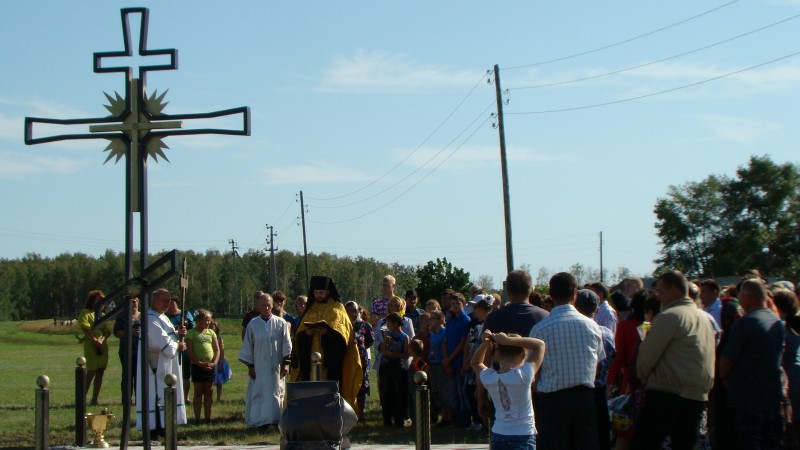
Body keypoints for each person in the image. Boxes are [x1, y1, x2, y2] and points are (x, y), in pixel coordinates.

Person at [633, 270, 715, 450]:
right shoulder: (704, 318)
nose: (657, 296)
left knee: (645, 443)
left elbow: (646, 357)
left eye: (661, 292)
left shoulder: (669, 316)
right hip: (697, 394)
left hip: (667, 392)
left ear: (675, 292)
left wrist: (644, 378)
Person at [530, 272, 605, 450]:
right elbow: (598, 361)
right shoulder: (592, 326)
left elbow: (534, 371)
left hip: (553, 399)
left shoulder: (540, 329)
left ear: (551, 294)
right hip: (584, 397)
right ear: (574, 294)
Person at [719, 279, 784, 449]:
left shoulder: (745, 323)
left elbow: (727, 361)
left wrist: (724, 377)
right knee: (771, 442)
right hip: (772, 397)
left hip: (748, 400)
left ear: (748, 297)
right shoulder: (776, 321)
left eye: (740, 295)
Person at [479, 269, 549, 420]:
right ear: (531, 290)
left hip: (502, 387)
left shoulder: (494, 318)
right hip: (538, 387)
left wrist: (481, 394)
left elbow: (485, 358)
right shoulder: (545, 317)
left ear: (507, 291)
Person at [290, 276, 362, 409]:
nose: (318, 295)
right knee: (310, 389)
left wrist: (328, 334)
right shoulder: (311, 308)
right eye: (316, 293)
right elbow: (299, 336)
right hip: (310, 360)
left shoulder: (337, 309)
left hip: (330, 362)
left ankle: (330, 412)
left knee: (330, 391)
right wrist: (306, 334)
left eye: (321, 293)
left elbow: (344, 338)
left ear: (328, 292)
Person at [471, 330, 545, 450]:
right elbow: (540, 345)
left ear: (497, 355)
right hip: (523, 434)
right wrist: (508, 340)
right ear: (523, 356)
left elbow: (475, 363)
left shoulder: (489, 377)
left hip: (498, 433)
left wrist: (485, 343)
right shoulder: (523, 375)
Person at [136, 288, 188, 436]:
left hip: (166, 364)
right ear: (154, 300)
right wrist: (177, 345)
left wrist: (178, 334)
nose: (167, 304)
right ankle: (156, 427)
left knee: (165, 391)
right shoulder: (150, 318)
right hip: (156, 365)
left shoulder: (162, 317)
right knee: (157, 393)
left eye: (169, 301)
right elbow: (160, 340)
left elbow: (168, 335)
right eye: (164, 301)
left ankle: (167, 425)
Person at [238, 292, 291, 427]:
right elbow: (248, 346)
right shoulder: (253, 324)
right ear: (258, 306)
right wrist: (250, 366)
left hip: (276, 365)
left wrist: (286, 363)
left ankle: (276, 420)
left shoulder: (281, 323)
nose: (266, 308)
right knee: (259, 391)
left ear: (272, 305)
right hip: (259, 365)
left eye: (268, 305)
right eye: (263, 305)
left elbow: (287, 344)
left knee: (276, 390)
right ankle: (259, 420)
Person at [575, 289, 617, 450]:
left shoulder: (575, 332)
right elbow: (611, 358)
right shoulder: (606, 333)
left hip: (579, 391)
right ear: (597, 310)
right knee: (601, 437)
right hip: (600, 391)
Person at [78, 289, 114, 406]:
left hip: (102, 347)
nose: (100, 302)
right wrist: (94, 340)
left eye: (101, 300)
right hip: (91, 345)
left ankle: (95, 399)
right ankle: (81, 399)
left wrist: (101, 340)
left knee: (100, 372)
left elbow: (108, 331)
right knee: (91, 371)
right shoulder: (85, 313)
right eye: (97, 300)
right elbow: (85, 327)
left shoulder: (102, 316)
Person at [186, 308, 219, 424]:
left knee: (209, 392)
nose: (208, 322)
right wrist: (198, 363)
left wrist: (214, 362)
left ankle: (208, 418)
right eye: (206, 320)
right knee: (198, 392)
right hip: (197, 366)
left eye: (209, 320)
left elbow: (217, 349)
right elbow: (190, 351)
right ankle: (197, 418)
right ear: (198, 320)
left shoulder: (211, 333)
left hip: (210, 366)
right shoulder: (191, 333)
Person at [443, 292, 471, 428]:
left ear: (464, 304)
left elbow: (462, 343)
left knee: (461, 393)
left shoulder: (466, 320)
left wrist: (450, 359)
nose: (455, 306)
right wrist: (446, 359)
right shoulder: (450, 319)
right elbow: (445, 339)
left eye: (457, 303)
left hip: (459, 360)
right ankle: (455, 420)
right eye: (453, 303)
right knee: (453, 392)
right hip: (450, 361)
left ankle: (464, 420)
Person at [379, 312, 410, 427]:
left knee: (398, 392)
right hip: (387, 366)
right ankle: (387, 418)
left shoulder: (404, 337)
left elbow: (406, 355)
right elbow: (383, 351)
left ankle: (399, 418)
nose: (387, 326)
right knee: (386, 392)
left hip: (398, 366)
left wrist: (393, 354)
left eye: (389, 323)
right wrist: (385, 343)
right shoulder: (387, 335)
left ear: (396, 324)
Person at [345, 300, 375, 420]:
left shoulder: (364, 325)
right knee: (348, 384)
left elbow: (370, 341)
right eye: (348, 311)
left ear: (358, 311)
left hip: (361, 359)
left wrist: (360, 348)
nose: (351, 313)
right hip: (346, 359)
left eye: (354, 310)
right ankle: (348, 413)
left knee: (361, 385)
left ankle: (360, 414)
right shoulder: (342, 324)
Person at [166, 294, 195, 405]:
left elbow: (193, 327)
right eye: (169, 303)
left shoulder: (185, 314)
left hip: (184, 346)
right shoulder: (164, 316)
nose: (171, 306)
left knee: (185, 373)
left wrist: (186, 333)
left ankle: (185, 396)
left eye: (172, 303)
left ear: (177, 303)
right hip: (170, 347)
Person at [114, 296, 141, 406]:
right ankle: (126, 399)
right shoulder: (122, 317)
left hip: (140, 352)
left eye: (135, 301)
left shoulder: (144, 316)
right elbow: (117, 332)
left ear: (138, 302)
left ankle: (139, 399)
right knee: (127, 376)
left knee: (139, 376)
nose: (133, 303)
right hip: (126, 351)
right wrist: (131, 332)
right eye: (131, 302)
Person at [210, 320, 232, 402]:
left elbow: (222, 352)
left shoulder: (219, 339)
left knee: (219, 382)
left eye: (213, 326)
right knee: (210, 382)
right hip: (210, 361)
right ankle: (210, 398)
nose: (211, 327)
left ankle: (218, 398)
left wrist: (220, 363)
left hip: (218, 361)